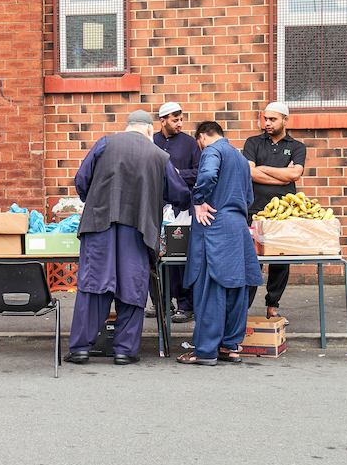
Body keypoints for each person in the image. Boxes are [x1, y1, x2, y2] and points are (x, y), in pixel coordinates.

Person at [65, 110, 191, 366]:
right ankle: (124, 350)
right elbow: (179, 193)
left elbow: (81, 181)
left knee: (94, 285)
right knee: (132, 287)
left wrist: (98, 198)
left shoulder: (105, 143)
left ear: (128, 127)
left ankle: (80, 348)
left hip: (100, 224)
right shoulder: (159, 155)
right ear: (148, 130)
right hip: (139, 228)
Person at [177, 121, 262, 365]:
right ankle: (230, 346)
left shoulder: (212, 151)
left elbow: (207, 175)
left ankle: (205, 351)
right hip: (238, 227)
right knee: (237, 288)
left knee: (211, 288)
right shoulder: (239, 157)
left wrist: (199, 200)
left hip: (214, 224)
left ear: (203, 137)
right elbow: (249, 196)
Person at [242, 102, 306, 324]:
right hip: (255, 210)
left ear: (285, 120)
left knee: (280, 262)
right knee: (252, 262)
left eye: (272, 119)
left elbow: (295, 174)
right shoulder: (253, 143)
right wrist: (282, 174)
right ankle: (243, 309)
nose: (267, 123)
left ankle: (272, 306)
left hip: (283, 213)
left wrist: (265, 169)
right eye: (265, 119)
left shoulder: (297, 146)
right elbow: (250, 173)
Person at [150, 101, 201, 324]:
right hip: (154, 205)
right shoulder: (151, 141)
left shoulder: (189, 143)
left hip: (181, 208)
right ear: (162, 121)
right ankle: (160, 302)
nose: (179, 124)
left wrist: (177, 173)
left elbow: (199, 172)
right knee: (154, 255)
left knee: (179, 255)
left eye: (181, 119)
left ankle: (184, 304)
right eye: (174, 120)